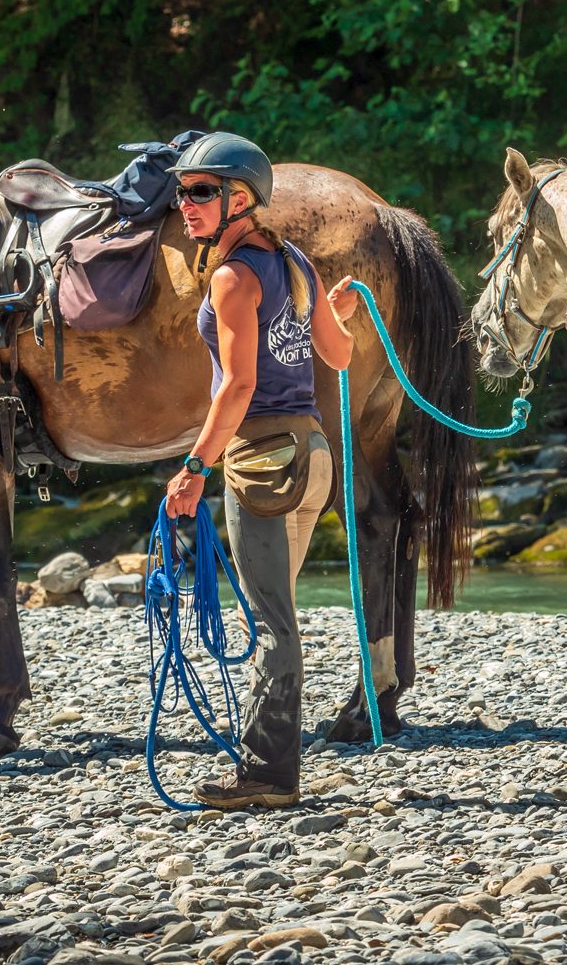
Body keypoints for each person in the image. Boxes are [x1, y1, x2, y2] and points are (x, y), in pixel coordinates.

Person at [163, 131, 360, 810]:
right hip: (313, 459)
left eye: (200, 191)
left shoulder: (229, 276)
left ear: (238, 198)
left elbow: (238, 386)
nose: (184, 203)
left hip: (263, 464)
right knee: (278, 613)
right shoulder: (296, 262)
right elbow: (338, 354)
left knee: (273, 621)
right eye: (182, 190)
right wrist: (335, 315)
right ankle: (267, 762)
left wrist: (193, 467)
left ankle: (269, 775)